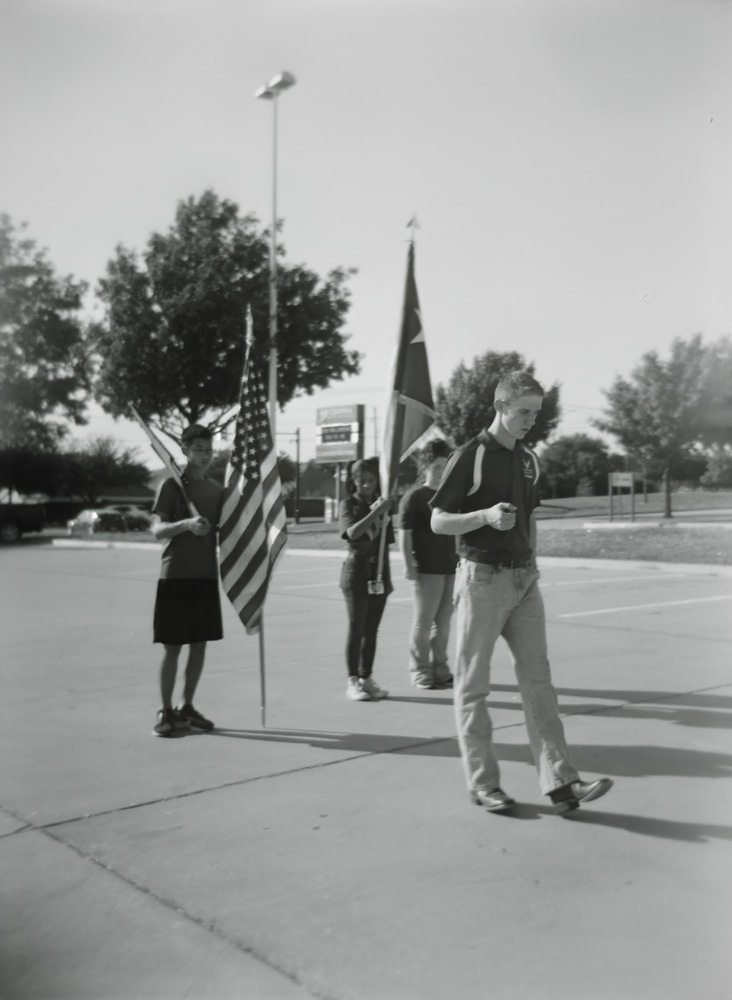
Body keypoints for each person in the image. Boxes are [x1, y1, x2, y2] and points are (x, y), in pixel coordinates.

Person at [431, 371, 613, 815]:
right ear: (499, 407)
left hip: (523, 581)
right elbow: (438, 520)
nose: (531, 420)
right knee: (472, 687)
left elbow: (529, 518)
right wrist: (485, 516)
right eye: (523, 412)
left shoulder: (530, 459)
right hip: (481, 580)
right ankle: (484, 784)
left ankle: (562, 784)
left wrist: (532, 562)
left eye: (537, 412)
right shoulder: (469, 457)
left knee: (539, 685)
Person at [151, 424, 224, 737]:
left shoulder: (217, 491)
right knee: (173, 647)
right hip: (176, 575)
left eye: (209, 450)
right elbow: (157, 530)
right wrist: (186, 524)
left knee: (199, 646)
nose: (205, 456)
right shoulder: (171, 485)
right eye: (198, 450)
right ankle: (165, 710)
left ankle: (187, 706)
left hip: (205, 576)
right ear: (184, 450)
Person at [398, 439, 458, 689]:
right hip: (426, 569)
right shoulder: (414, 497)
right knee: (424, 622)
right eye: (435, 467)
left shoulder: (451, 495)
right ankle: (420, 670)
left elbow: (457, 528)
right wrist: (408, 565)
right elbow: (405, 533)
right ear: (424, 468)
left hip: (450, 568)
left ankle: (440, 668)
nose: (440, 472)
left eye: (444, 467)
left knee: (443, 623)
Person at [339, 457, 393, 702]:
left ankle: (366, 677)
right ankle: (352, 680)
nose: (367, 485)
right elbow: (352, 533)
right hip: (356, 572)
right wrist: (376, 514)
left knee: (371, 630)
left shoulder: (382, 505)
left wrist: (384, 513)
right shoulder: (348, 504)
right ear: (354, 481)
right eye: (362, 480)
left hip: (379, 572)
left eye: (371, 481)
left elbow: (385, 541)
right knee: (357, 628)